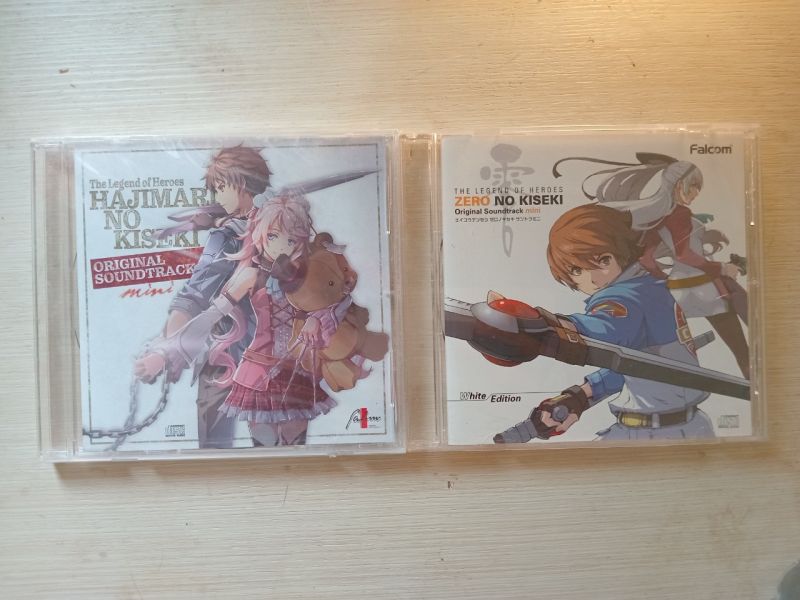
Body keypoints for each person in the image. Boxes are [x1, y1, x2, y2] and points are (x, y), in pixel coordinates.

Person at [136, 193, 360, 446]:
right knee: (264, 443)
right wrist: (166, 353)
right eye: (273, 236)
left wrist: (316, 319)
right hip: (258, 371)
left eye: (291, 239)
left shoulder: (310, 274)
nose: (282, 246)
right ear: (260, 234)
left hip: (298, 369)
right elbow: (210, 316)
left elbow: (340, 303)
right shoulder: (249, 276)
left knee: (295, 443)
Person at [501, 204, 714, 441]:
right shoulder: (651, 288)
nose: (592, 277)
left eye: (603, 260)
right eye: (577, 270)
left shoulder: (630, 296)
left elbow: (605, 330)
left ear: (623, 251)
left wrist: (543, 325)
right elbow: (634, 365)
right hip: (676, 427)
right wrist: (580, 396)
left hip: (661, 434)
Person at [553, 154, 749, 378]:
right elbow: (685, 255)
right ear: (678, 185)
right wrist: (722, 268)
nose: (696, 193)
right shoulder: (678, 214)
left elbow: (647, 259)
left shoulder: (656, 216)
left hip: (677, 293)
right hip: (701, 291)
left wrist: (661, 282)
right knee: (742, 348)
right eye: (693, 186)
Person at [136, 145, 270, 447]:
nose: (217, 196)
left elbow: (193, 297)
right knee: (275, 448)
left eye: (221, 187)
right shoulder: (277, 225)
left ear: (241, 183)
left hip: (227, 355)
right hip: (271, 354)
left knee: (217, 449)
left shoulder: (227, 235)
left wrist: (164, 351)